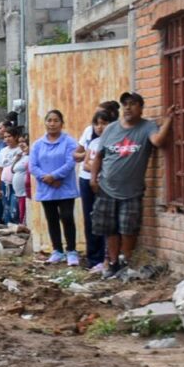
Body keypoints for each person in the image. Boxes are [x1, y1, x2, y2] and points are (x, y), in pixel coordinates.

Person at [90, 93, 176, 278]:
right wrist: (93, 178)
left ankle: (125, 262)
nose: (128, 108)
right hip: (107, 187)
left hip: (132, 190)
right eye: (125, 104)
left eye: (132, 104)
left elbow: (158, 141)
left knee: (128, 229)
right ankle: (113, 264)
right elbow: (99, 156)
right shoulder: (111, 129)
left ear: (141, 108)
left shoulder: (147, 127)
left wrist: (168, 120)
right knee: (110, 229)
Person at [29, 109, 81, 265]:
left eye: (56, 120)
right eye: (49, 120)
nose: (52, 124)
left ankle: (71, 251)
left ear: (62, 123)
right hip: (47, 188)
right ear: (45, 123)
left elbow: (70, 162)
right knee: (52, 219)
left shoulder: (69, 142)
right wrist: (48, 179)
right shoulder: (38, 144)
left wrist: (55, 176)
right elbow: (32, 166)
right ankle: (57, 250)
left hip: (65, 187)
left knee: (67, 217)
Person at [73, 108, 115, 273]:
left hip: (104, 184)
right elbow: (85, 164)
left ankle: (105, 257)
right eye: (96, 124)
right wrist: (96, 168)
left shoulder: (113, 142)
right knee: (90, 219)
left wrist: (97, 168)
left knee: (104, 219)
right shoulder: (92, 142)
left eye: (103, 123)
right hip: (87, 181)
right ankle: (93, 258)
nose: (99, 127)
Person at [0, 127, 24, 224]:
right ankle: (8, 227)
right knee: (6, 207)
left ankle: (16, 226)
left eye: (9, 136)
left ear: (16, 137)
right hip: (5, 184)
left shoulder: (20, 150)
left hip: (17, 185)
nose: (7, 139)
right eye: (5, 137)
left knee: (14, 207)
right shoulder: (3, 151)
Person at [10, 131, 30, 224]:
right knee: (17, 214)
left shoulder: (31, 156)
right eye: (19, 142)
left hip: (25, 192)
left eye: (23, 142)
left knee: (23, 214)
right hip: (18, 192)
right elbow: (12, 170)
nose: (21, 144)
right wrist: (16, 160)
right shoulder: (21, 155)